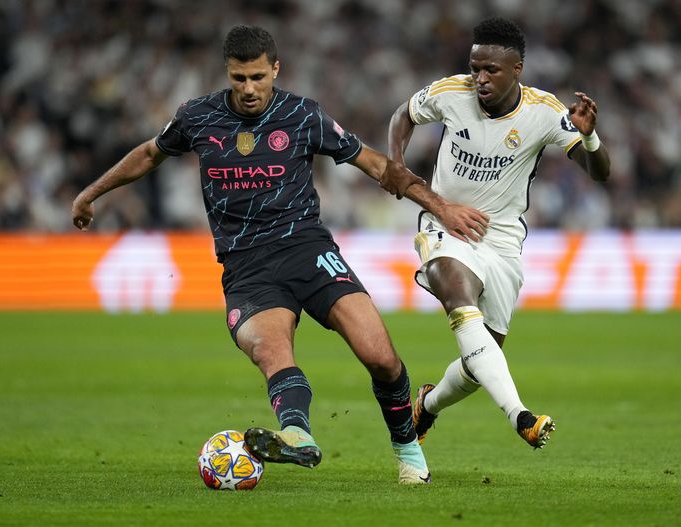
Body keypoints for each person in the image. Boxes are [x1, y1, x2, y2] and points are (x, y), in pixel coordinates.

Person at [71, 25, 470, 484]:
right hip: (247, 266)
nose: (248, 89)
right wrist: (91, 193)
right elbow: (148, 153)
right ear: (227, 73)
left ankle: (408, 452)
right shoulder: (197, 117)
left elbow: (376, 164)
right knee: (271, 350)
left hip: (307, 249)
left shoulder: (303, 116)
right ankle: (297, 436)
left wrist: (441, 207)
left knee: (379, 355)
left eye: (258, 77)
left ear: (275, 70)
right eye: (239, 78)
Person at [383, 17, 611, 450]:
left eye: (491, 70)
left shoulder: (544, 111)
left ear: (517, 70)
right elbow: (403, 114)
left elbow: (600, 172)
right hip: (444, 222)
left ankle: (427, 405)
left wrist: (591, 137)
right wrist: (397, 162)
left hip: (502, 238)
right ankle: (520, 415)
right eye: (476, 67)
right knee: (456, 293)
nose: (480, 78)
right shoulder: (451, 92)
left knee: (480, 360)